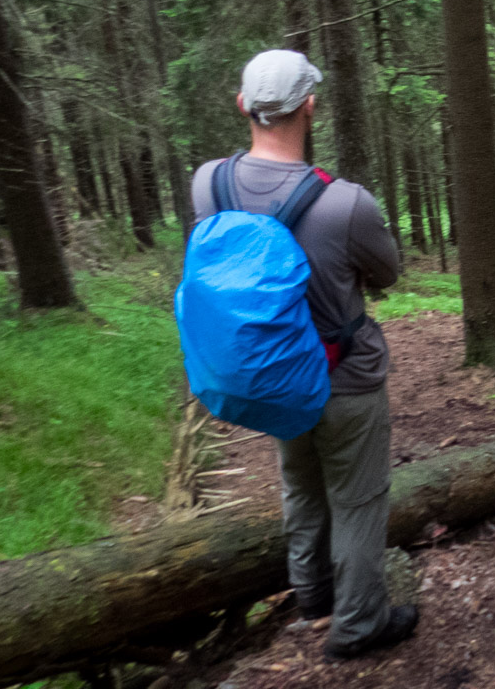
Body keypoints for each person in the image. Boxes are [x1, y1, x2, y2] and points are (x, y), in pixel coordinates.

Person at [191, 48, 417, 660]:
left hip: (272, 372)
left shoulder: (208, 183)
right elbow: (388, 274)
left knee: (301, 483)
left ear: (244, 105)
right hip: (346, 375)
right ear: (309, 107)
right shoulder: (346, 203)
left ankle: (312, 593)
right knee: (360, 499)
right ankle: (359, 623)